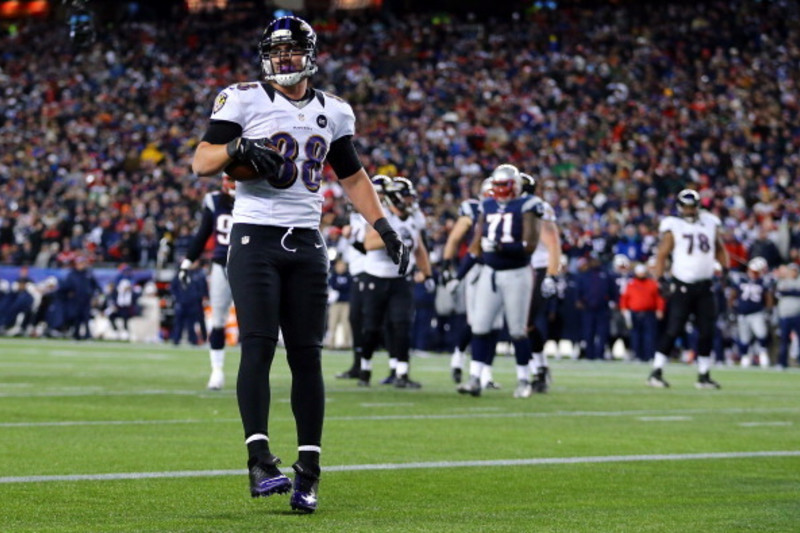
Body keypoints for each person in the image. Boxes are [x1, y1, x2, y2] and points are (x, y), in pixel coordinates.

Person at [191, 16, 408, 514]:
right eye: (277, 51)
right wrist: (236, 148)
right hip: (254, 236)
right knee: (259, 345)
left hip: (307, 241)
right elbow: (202, 160)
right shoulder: (242, 98)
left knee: (307, 355)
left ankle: (308, 472)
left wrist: (384, 226)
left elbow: (353, 178)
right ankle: (260, 460)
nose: (285, 60)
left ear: (310, 54)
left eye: (293, 51)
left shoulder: (334, 110)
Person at [457, 164, 542, 398]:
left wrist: (502, 247)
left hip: (517, 273)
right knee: (480, 326)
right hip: (490, 272)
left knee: (517, 330)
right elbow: (476, 244)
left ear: (515, 185)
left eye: (504, 185)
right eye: (496, 185)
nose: (500, 190)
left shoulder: (529, 205)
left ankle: (524, 380)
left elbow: (530, 246)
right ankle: (475, 378)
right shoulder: (487, 204)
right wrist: (459, 275)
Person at [647, 189, 729, 389]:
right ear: (679, 206)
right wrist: (660, 279)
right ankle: (656, 372)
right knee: (673, 329)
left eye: (692, 206)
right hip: (682, 285)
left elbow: (718, 248)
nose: (689, 210)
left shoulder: (710, 222)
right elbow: (662, 254)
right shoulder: (673, 224)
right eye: (686, 206)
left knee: (707, 331)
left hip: (705, 285)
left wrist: (725, 269)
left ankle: (703, 375)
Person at [357, 176, 433, 389]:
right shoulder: (382, 215)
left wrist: (427, 274)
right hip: (376, 277)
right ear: (395, 197)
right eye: (407, 197)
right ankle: (365, 368)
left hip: (401, 279)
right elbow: (368, 243)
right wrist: (391, 238)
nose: (410, 201)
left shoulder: (413, 218)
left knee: (402, 325)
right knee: (372, 328)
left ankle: (402, 373)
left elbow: (419, 249)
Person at [178, 174, 236, 390]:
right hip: (221, 264)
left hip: (249, 265)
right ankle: (217, 371)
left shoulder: (255, 196)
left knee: (253, 324)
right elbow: (202, 234)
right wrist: (187, 262)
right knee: (218, 320)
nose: (231, 184)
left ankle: (253, 373)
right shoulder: (214, 200)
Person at [520, 172, 561, 393]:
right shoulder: (509, 206)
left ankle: (536, 371)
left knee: (525, 323)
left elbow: (553, 242)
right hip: (521, 268)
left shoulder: (536, 207)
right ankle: (540, 366)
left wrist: (552, 275)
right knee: (524, 324)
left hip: (537, 268)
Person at [728, 256, 774, 368]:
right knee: (744, 338)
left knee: (761, 334)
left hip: (757, 312)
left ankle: (763, 354)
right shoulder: (741, 279)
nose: (754, 273)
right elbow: (732, 295)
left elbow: (768, 297)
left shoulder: (763, 281)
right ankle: (744, 357)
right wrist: (731, 310)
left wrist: (768, 310)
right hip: (742, 313)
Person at [774, 263, 800, 369]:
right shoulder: (783, 280)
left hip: (798, 314)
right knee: (784, 339)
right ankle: (782, 362)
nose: (793, 272)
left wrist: (789, 291)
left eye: (795, 270)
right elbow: (780, 292)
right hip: (784, 315)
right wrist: (792, 291)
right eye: (791, 270)